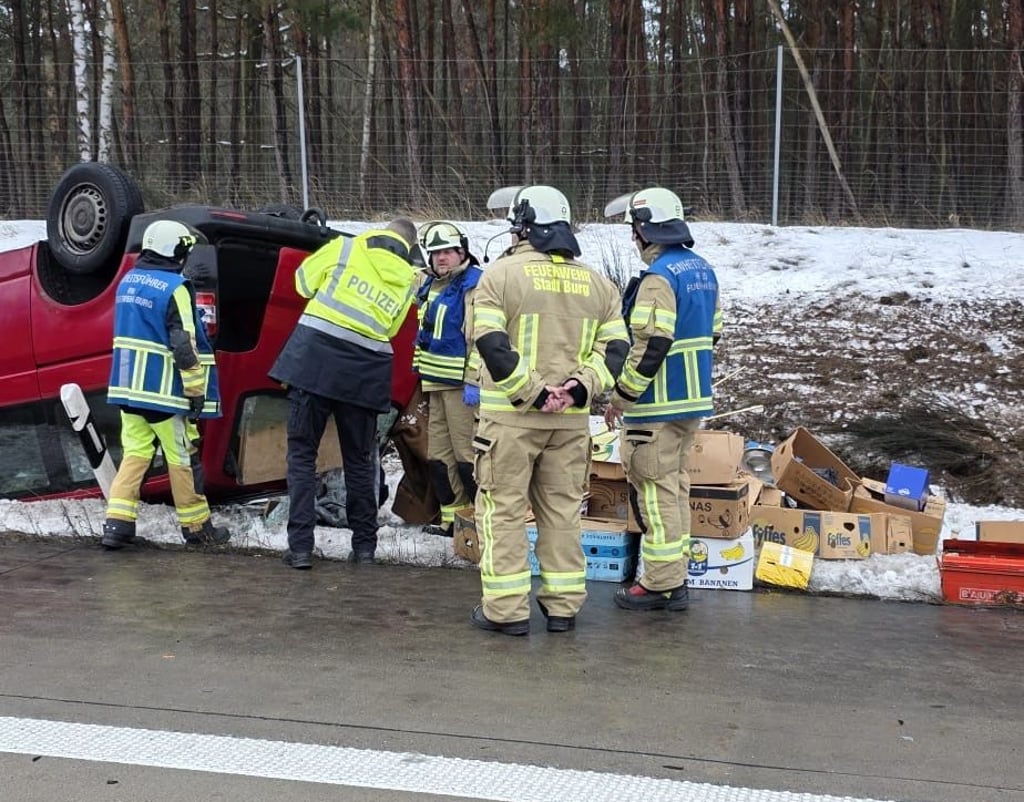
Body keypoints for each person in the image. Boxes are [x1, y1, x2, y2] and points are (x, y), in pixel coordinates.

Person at [470, 185, 629, 636]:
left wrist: (534, 393)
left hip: (510, 420)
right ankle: (563, 608)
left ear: (522, 225)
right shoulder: (599, 284)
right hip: (571, 424)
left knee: (502, 512)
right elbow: (616, 349)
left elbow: (490, 343)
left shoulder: (499, 276)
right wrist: (578, 389)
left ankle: (505, 611)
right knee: (561, 513)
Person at [270, 219, 419, 568]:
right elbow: (391, 328)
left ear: (382, 230)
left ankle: (302, 547)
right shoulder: (408, 279)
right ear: (409, 248)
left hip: (314, 363)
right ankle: (365, 547)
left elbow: (302, 282)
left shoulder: (346, 248)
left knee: (303, 456)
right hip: (364, 373)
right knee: (360, 461)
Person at [602, 187, 722, 611]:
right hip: (691, 403)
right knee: (673, 488)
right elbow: (714, 333)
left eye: (634, 230)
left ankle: (661, 585)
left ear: (644, 230)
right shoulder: (702, 270)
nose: (633, 238)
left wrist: (621, 396)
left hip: (656, 406)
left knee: (654, 494)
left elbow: (651, 344)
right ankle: (671, 578)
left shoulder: (660, 277)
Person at [101, 220, 232, 550]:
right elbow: (184, 345)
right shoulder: (175, 288)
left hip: (126, 391)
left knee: (135, 455)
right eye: (184, 250)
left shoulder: (127, 282)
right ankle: (197, 529)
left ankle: (116, 526)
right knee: (183, 459)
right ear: (174, 250)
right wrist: (196, 392)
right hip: (163, 397)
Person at [413, 221, 483, 537]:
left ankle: (480, 521)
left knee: (466, 457)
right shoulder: (430, 284)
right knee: (439, 458)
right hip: (434, 382)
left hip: (460, 386)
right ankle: (453, 521)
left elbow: (481, 337)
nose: (441, 258)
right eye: (436, 253)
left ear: (462, 252)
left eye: (447, 252)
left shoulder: (474, 285)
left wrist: (474, 380)